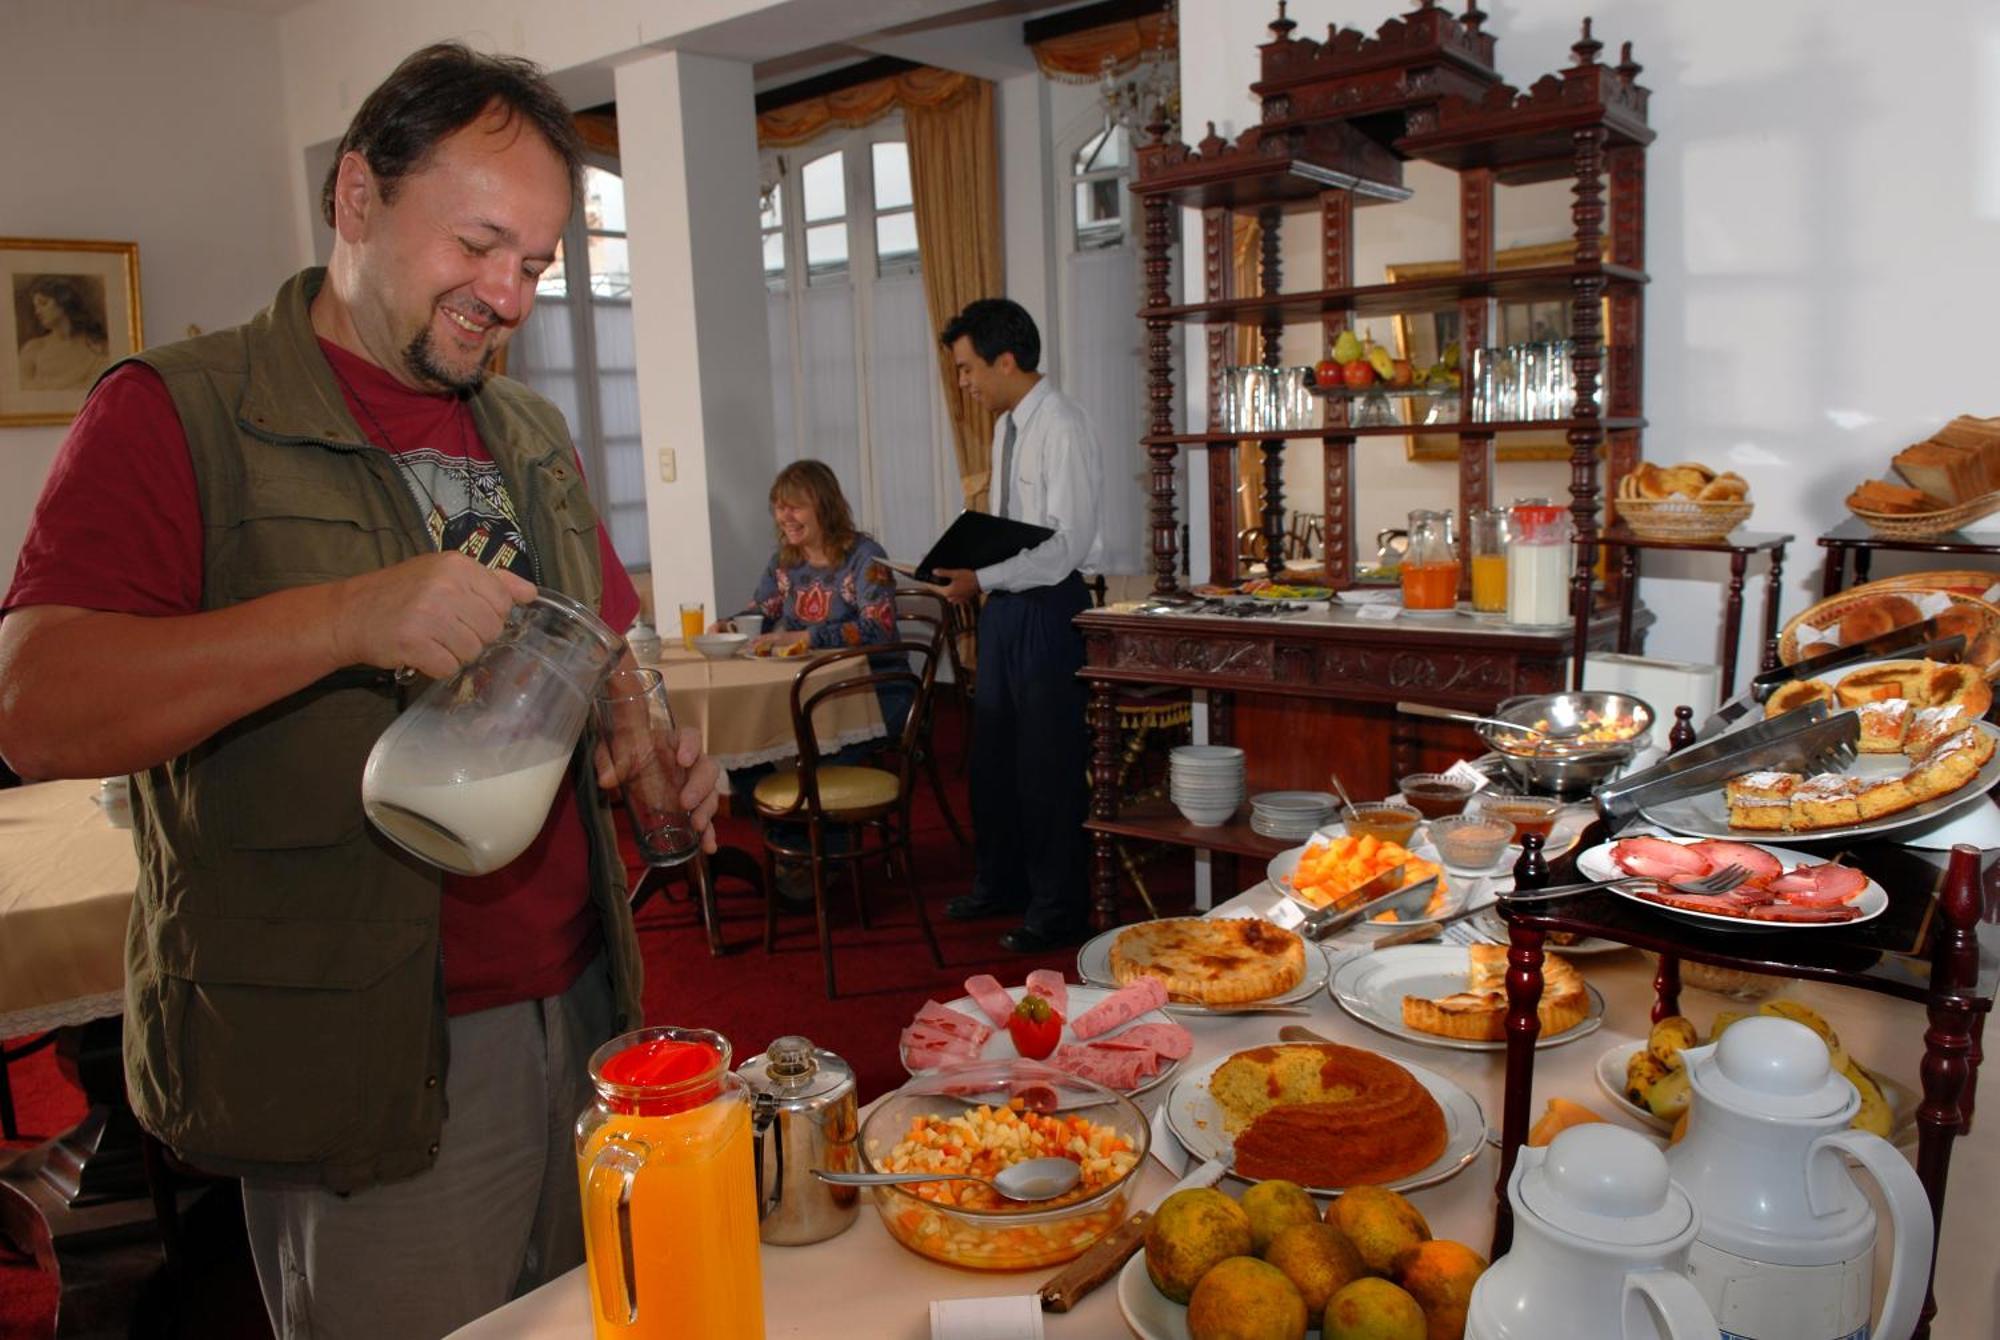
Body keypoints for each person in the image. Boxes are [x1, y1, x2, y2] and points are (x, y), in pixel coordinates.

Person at [0, 44, 721, 1340]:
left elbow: (608, 651)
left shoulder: (530, 434)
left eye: (539, 265)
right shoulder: (183, 412)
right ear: (355, 201)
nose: (508, 297)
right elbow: (37, 704)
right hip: (362, 1055)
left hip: (586, 1006)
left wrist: (648, 751)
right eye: (481, 245)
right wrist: (346, 617)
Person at [932, 298, 1102, 952]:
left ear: (1007, 360)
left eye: (970, 368)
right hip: (1005, 605)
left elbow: (1066, 544)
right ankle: (1001, 884)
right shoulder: (1007, 427)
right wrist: (970, 565)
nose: (965, 382)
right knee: (993, 760)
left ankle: (1058, 909)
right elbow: (1011, 534)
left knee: (1047, 766)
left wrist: (985, 578)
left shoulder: (1062, 426)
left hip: (1051, 605)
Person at [732, 458, 908, 731]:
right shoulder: (782, 560)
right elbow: (762, 613)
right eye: (779, 508)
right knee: (744, 729)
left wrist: (807, 638)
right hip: (803, 685)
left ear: (826, 509)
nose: (785, 518)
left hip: (870, 686)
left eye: (795, 508)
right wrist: (729, 628)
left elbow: (879, 628)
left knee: (795, 736)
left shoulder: (865, 556)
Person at [17, 274, 110, 390]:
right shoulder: (33, 349)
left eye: (43, 303)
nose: (37, 312)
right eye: (35, 307)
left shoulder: (97, 346)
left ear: (63, 302)